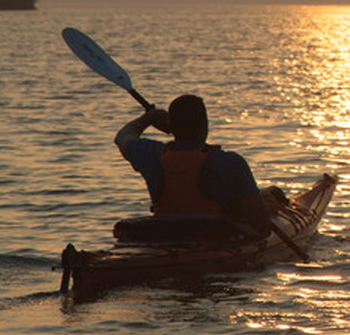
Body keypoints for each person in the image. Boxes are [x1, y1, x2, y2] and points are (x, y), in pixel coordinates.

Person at [111, 94, 264, 242]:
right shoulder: (231, 162)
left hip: (163, 236)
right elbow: (259, 222)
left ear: (170, 126)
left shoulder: (151, 154)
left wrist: (149, 118)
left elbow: (123, 136)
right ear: (205, 125)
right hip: (215, 238)